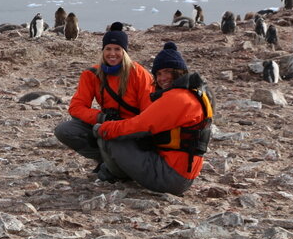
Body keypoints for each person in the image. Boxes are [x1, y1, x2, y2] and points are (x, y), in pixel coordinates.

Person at [94, 41, 213, 196]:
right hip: (185, 173)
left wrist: (102, 128)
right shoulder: (197, 93)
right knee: (131, 137)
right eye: (158, 74)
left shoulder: (177, 98)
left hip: (170, 177)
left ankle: (118, 176)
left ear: (179, 72)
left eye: (167, 72)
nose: (162, 78)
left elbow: (138, 125)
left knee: (110, 138)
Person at [54, 23, 154, 170]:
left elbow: (149, 113)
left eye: (117, 49)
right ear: (102, 51)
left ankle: (123, 162)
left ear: (124, 52)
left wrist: (129, 126)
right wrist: (102, 118)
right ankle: (104, 157)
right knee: (65, 130)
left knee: (117, 163)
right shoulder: (92, 74)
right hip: (107, 125)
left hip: (132, 129)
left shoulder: (139, 74)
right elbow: (76, 107)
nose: (112, 53)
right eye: (108, 49)